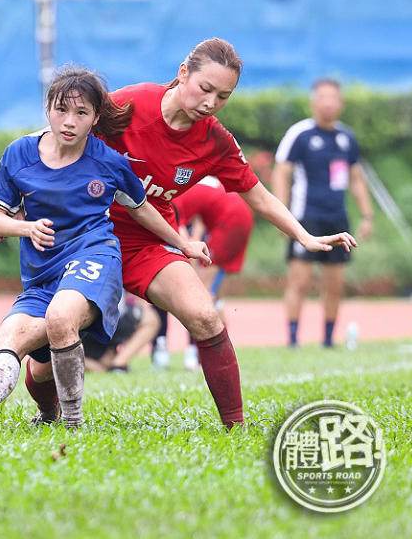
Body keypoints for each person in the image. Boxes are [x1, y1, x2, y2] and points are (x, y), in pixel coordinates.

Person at [23, 38, 356, 429]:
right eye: (205, 88)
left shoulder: (215, 141)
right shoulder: (128, 105)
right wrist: (19, 200)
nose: (211, 102)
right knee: (44, 357)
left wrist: (305, 237)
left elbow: (259, 196)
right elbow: (62, 133)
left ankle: (235, 426)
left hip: (150, 240)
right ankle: (48, 414)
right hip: (85, 237)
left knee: (206, 317)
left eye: (223, 96)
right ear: (183, 73)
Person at [0, 66, 211, 431]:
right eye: (61, 110)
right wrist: (24, 227)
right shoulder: (20, 153)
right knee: (16, 345)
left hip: (95, 259)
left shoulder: (109, 162)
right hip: (43, 274)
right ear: (48, 109)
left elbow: (142, 209)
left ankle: (74, 426)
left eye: (81, 113)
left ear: (96, 118)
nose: (69, 121)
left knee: (60, 318)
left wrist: (183, 243)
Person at [272, 78, 374, 348]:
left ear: (340, 104)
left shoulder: (346, 137)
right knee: (300, 281)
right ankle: (293, 339)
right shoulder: (300, 134)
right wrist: (282, 215)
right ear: (313, 102)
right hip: (306, 218)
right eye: (323, 97)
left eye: (333, 98)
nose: (328, 103)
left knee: (335, 283)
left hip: (338, 218)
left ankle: (328, 339)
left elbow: (356, 178)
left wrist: (367, 215)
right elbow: (282, 172)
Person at [172, 175, 255, 369]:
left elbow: (180, 234)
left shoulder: (171, 195)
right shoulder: (192, 179)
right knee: (214, 297)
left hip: (228, 222)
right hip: (239, 216)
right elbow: (203, 211)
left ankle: (199, 354)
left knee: (201, 295)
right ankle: (218, 353)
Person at [82, 292, 160, 373]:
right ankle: (115, 364)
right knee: (150, 319)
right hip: (90, 319)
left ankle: (116, 365)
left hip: (109, 315)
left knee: (149, 319)